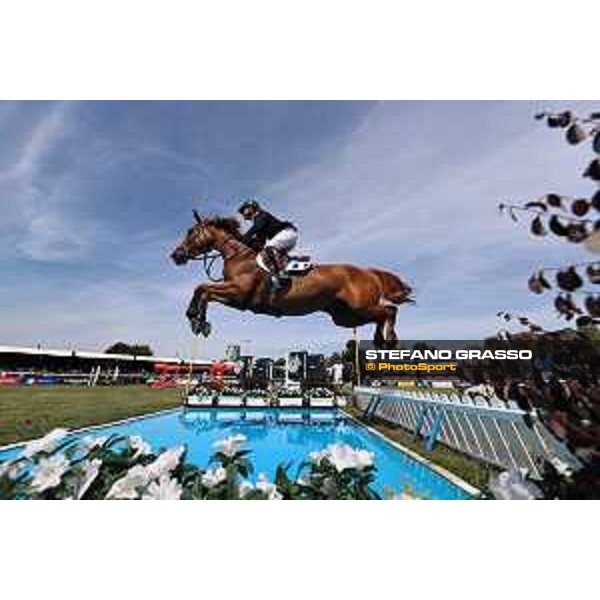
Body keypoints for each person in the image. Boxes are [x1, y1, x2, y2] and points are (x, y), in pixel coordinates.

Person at [238, 200, 298, 289]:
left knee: (269, 247)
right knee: (263, 255)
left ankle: (282, 274)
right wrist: (247, 244)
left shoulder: (261, 215)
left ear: (252, 207)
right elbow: (260, 241)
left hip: (287, 233)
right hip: (284, 237)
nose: (243, 213)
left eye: (244, 209)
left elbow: (256, 228)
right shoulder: (258, 221)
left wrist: (242, 239)